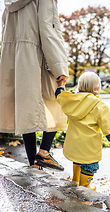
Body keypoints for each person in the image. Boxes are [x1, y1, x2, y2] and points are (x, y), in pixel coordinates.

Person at [0, 0, 69, 170]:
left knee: (26, 110)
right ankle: (44, 152)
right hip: (38, 55)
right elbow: (49, 29)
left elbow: (4, 27)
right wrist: (59, 66)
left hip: (15, 59)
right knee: (56, 100)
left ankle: (33, 164)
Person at [55, 72, 110, 190]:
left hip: (74, 143)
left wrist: (60, 86)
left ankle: (75, 180)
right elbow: (107, 123)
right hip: (89, 145)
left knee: (77, 159)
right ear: (96, 89)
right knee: (90, 164)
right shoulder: (100, 105)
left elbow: (60, 97)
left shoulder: (72, 101)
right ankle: (85, 186)